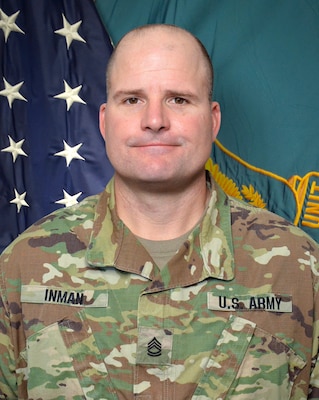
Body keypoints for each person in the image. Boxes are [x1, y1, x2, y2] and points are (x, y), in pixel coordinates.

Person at [0, 23, 318, 400]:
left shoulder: (300, 269)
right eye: (132, 99)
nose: (154, 120)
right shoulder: (24, 266)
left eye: (178, 100)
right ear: (104, 121)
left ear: (213, 120)